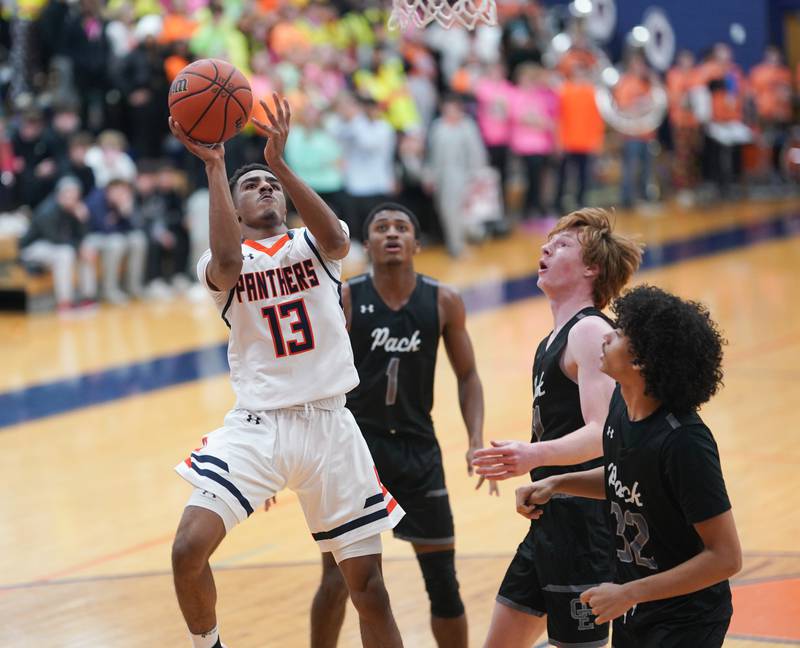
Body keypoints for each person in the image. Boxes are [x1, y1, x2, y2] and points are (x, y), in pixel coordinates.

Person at [169, 94, 405, 648]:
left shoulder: (313, 245)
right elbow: (227, 265)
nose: (265, 189)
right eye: (251, 186)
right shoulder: (219, 261)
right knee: (187, 549)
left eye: (268, 184)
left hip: (330, 425)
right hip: (259, 426)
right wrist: (216, 166)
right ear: (232, 204)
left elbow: (340, 239)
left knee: (368, 587)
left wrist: (280, 164)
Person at [310, 203, 497, 648]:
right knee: (339, 581)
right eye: (380, 227)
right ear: (367, 243)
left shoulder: (443, 300)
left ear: (416, 242)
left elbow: (468, 376)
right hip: (358, 452)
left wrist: (474, 440)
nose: (392, 233)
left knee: (444, 584)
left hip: (419, 451)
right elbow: (313, 372)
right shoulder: (347, 297)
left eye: (402, 227)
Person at [516, 285, 741, 647]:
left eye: (619, 333)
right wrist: (557, 483)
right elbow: (625, 481)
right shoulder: (621, 409)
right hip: (637, 605)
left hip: (685, 619)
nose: (606, 335)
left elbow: (726, 557)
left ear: (640, 362)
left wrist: (630, 592)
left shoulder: (684, 443)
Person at [472, 208, 643, 648]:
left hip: (587, 527)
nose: (546, 247)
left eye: (563, 245)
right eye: (548, 241)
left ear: (592, 268)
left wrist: (532, 456)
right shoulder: (551, 340)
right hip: (552, 519)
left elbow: (603, 433)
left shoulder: (589, 331)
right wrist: (533, 471)